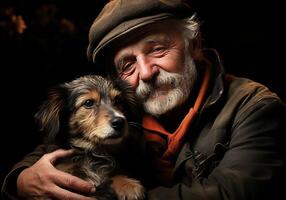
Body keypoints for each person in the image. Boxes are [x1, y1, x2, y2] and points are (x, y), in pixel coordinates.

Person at [1, 0, 285, 199]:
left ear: (195, 45)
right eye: (128, 65)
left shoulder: (254, 106)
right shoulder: (130, 110)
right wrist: (20, 179)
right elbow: (56, 145)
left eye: (158, 49)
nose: (146, 73)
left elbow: (235, 192)